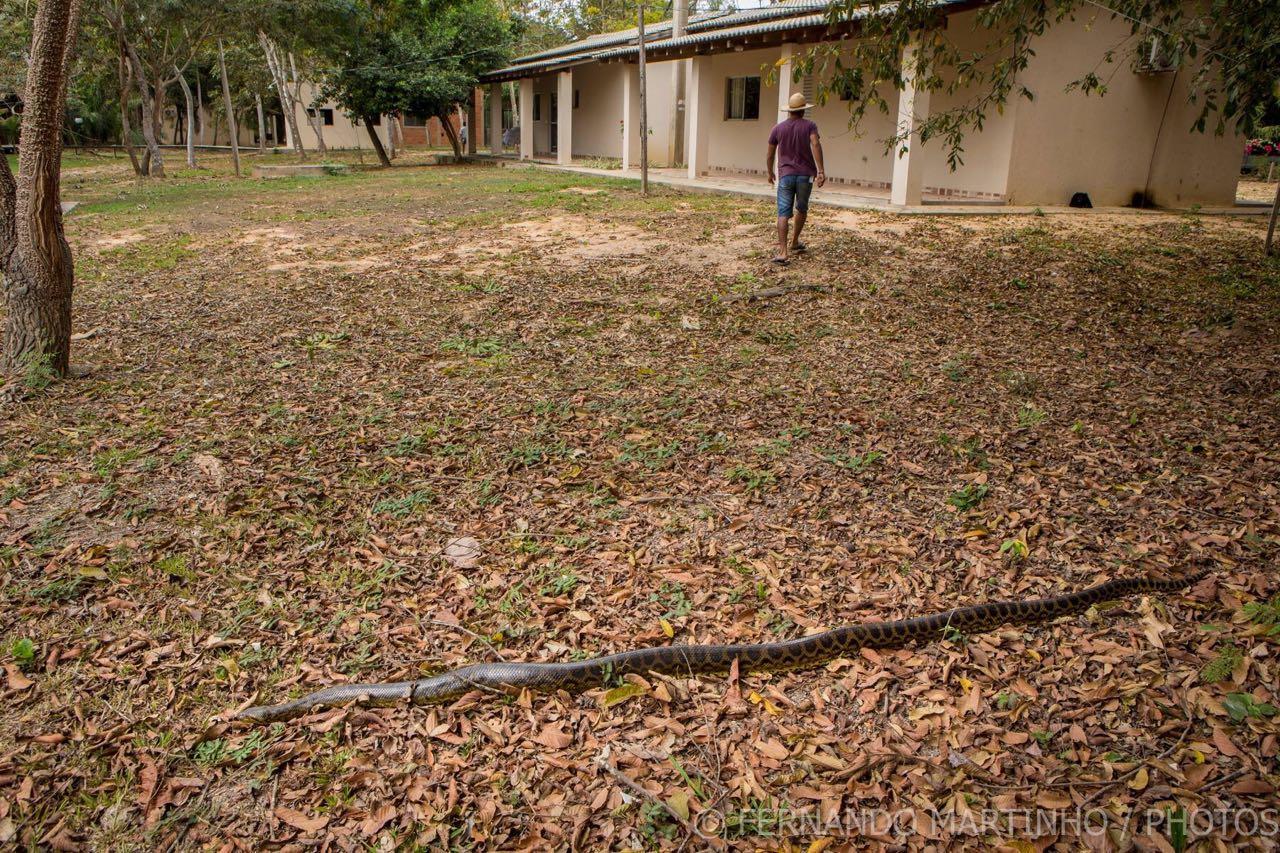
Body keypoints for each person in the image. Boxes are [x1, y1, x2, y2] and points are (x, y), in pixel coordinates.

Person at [766, 93, 826, 265]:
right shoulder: (810, 126)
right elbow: (815, 144)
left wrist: (770, 172)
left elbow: (770, 154)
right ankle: (794, 242)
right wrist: (821, 170)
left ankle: (783, 252)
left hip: (785, 175)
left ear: (790, 111)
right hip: (805, 175)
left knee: (783, 212)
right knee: (802, 207)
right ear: (803, 111)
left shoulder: (777, 128)